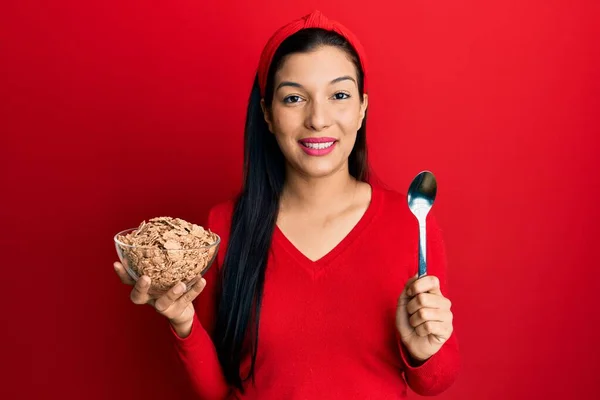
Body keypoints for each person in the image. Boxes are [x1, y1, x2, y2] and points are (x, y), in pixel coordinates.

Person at [114, 10, 460, 399]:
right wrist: (182, 321)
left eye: (339, 95)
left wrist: (423, 349)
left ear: (362, 107)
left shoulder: (410, 220)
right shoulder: (224, 226)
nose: (318, 119)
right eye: (294, 98)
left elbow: (436, 381)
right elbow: (216, 390)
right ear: (267, 113)